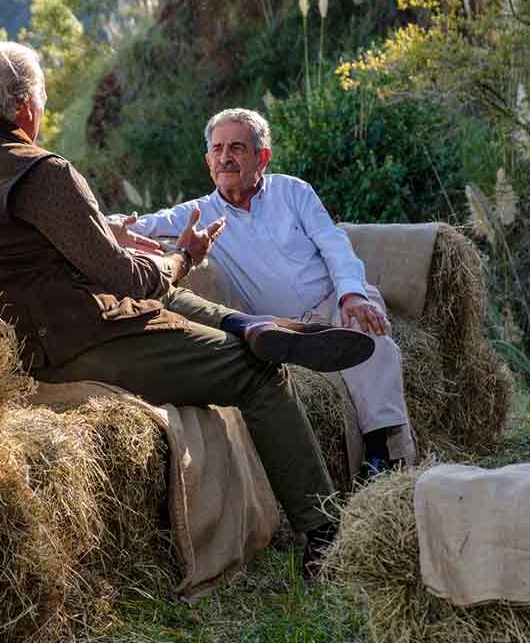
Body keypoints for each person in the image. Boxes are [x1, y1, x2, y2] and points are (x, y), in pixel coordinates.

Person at [0, 43, 370, 577]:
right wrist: (182, 257)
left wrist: (117, 243)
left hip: (14, 335)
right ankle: (322, 533)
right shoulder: (40, 172)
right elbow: (123, 277)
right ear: (25, 110)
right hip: (75, 341)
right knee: (256, 372)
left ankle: (248, 322)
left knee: (164, 293)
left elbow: (9, 247)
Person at [123, 108, 417, 474]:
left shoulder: (293, 191)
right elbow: (139, 225)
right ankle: (305, 355)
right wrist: (105, 225)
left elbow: (334, 245)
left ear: (263, 157)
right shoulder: (198, 213)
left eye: (236, 148)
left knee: (372, 339)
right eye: (217, 150)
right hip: (283, 326)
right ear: (207, 160)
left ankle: (384, 453)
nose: (225, 157)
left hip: (333, 299)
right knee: (287, 339)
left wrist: (351, 294)